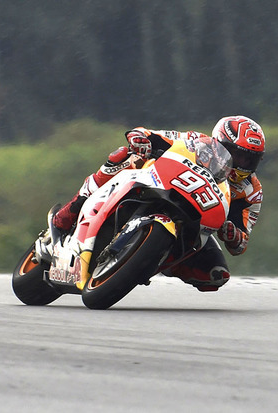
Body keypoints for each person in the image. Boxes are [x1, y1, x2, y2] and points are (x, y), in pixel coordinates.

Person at [50, 115, 265, 292]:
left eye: (250, 159)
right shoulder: (196, 141)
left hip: (195, 219)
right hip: (160, 184)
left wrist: (233, 235)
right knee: (124, 156)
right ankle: (70, 210)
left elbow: (241, 242)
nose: (242, 164)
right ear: (220, 143)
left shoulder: (251, 191)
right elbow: (153, 135)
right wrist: (140, 139)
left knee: (216, 274)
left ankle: (150, 261)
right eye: (237, 155)